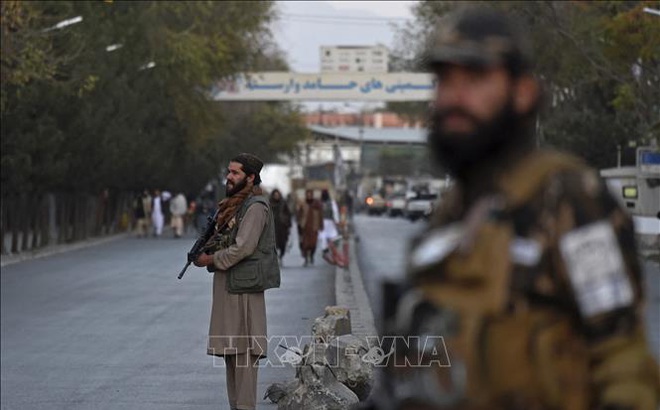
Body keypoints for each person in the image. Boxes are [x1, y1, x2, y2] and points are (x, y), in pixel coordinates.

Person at [364, 7, 659, 410]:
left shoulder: (568, 197)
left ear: (523, 92)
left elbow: (622, 357)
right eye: (445, 80)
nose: (454, 97)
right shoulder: (454, 210)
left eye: (475, 79)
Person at [193, 153, 280, 410]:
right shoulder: (234, 205)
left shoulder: (254, 207)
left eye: (235, 173)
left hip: (244, 289)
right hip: (229, 287)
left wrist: (210, 259)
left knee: (244, 353)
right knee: (232, 353)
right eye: (229, 172)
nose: (228, 178)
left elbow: (243, 248)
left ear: (250, 177)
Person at [296, 189, 323, 266]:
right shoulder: (303, 204)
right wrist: (299, 223)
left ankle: (311, 255)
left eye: (310, 194)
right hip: (305, 227)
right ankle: (306, 258)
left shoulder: (317, 205)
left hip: (314, 227)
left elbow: (320, 216)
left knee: (313, 244)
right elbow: (299, 215)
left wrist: (321, 225)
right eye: (307, 194)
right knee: (305, 244)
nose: (309, 196)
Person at [269, 189, 292, 264]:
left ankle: (281, 256)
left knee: (283, 244)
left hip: (282, 227)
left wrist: (287, 222)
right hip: (273, 226)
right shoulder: (269, 203)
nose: (276, 196)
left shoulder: (283, 203)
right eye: (275, 195)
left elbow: (288, 214)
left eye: (277, 195)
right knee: (274, 243)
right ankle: (276, 257)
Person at [318, 189, 340, 265]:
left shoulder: (329, 203)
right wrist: (337, 221)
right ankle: (328, 254)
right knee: (327, 239)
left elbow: (335, 212)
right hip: (324, 223)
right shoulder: (330, 203)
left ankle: (331, 255)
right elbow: (335, 213)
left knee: (330, 239)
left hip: (327, 223)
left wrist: (336, 221)